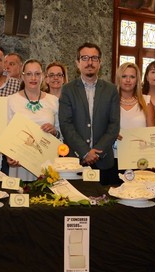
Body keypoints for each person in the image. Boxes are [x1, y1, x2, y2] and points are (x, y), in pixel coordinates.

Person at [59, 42, 120, 185]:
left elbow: (114, 125)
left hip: (104, 162)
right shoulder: (68, 90)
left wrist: (97, 152)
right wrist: (85, 152)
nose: (90, 62)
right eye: (85, 58)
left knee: (105, 205)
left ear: (100, 62)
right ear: (77, 62)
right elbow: (65, 124)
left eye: (94, 58)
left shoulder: (111, 90)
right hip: (75, 160)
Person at [6, 59, 61, 181]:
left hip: (47, 162)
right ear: (22, 76)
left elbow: (60, 133)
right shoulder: (11, 100)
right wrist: (8, 154)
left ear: (42, 76)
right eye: (29, 74)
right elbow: (5, 132)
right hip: (19, 162)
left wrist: (54, 132)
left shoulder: (53, 101)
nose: (33, 78)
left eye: (37, 74)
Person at [109, 62, 155, 185]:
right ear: (119, 79)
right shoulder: (109, 101)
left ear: (137, 80)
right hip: (114, 158)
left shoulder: (147, 102)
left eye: (132, 77)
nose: (128, 80)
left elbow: (152, 134)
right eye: (124, 76)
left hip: (139, 160)